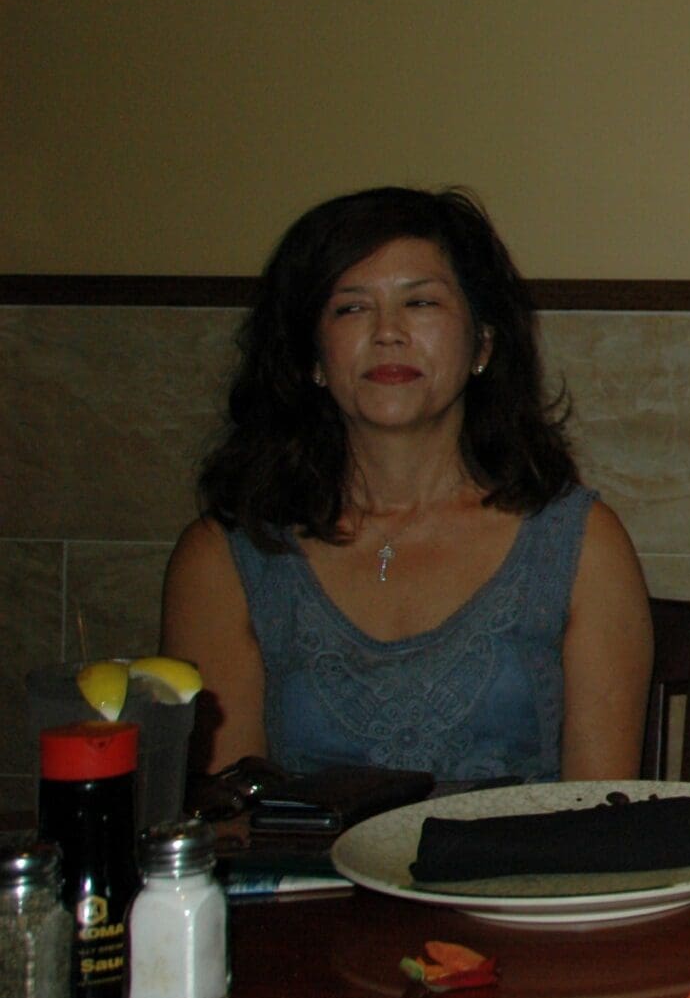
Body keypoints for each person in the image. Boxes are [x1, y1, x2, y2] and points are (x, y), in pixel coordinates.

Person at [161, 187, 652, 781]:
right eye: (351, 308)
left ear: (482, 343)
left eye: (420, 303)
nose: (387, 332)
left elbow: (598, 813)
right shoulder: (224, 557)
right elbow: (228, 817)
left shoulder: (581, 543)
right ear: (312, 356)